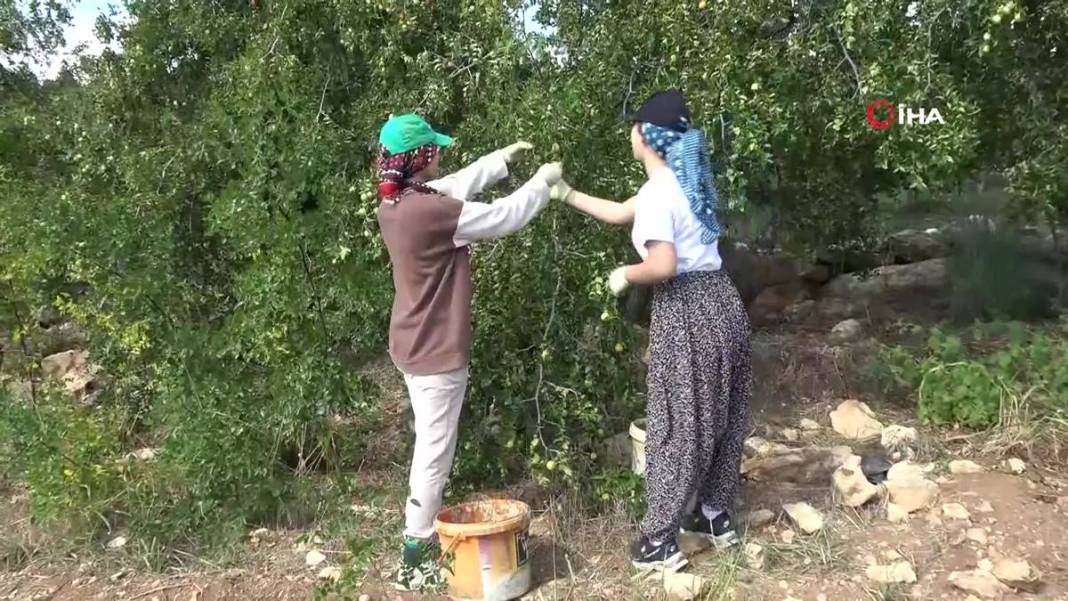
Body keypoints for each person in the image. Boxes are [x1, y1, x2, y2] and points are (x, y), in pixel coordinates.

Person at [552, 90, 752, 571]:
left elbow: (662, 263)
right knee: (723, 416)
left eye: (633, 125)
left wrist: (626, 274)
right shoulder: (683, 183)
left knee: (676, 425)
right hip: (723, 303)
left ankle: (659, 541)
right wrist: (565, 194)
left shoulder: (662, 192)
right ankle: (712, 514)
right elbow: (624, 212)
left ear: (644, 135)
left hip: (687, 310)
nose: (630, 133)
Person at [374, 113, 565, 591]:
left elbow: (452, 186)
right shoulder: (430, 213)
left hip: (410, 342)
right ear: (421, 157)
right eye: (433, 148)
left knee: (431, 446)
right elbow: (503, 217)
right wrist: (541, 185)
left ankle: (419, 544)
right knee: (434, 454)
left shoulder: (397, 202)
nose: (440, 153)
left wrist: (498, 162)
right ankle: (414, 560)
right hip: (436, 352)